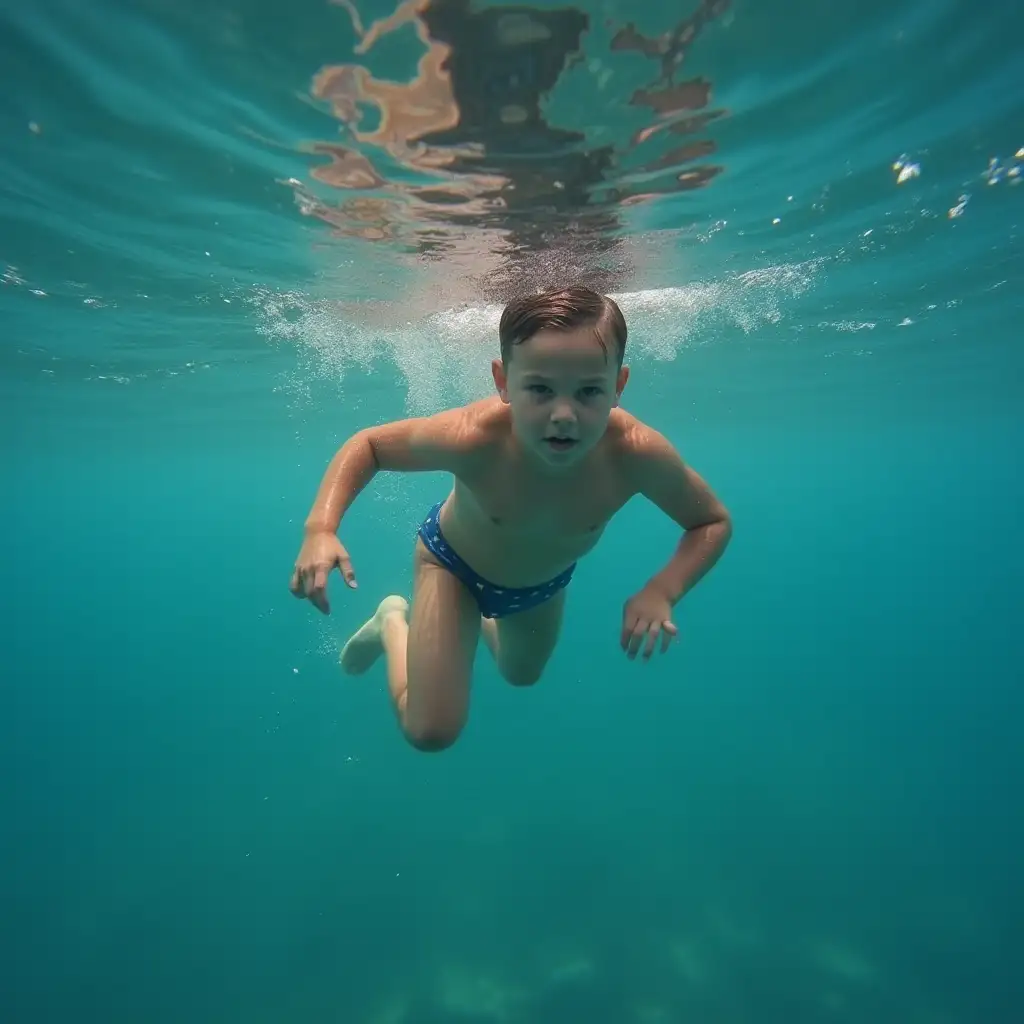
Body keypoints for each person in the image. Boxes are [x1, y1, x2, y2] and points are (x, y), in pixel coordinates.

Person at [290, 286, 732, 751]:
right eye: (540, 389)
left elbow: (710, 522)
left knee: (520, 675)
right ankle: (392, 622)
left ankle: (465, 623)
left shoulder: (637, 454)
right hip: (451, 565)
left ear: (618, 386)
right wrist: (320, 528)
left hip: (542, 584)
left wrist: (662, 591)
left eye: (589, 392)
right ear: (503, 382)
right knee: (431, 731)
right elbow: (371, 446)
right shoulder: (475, 435)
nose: (563, 415)